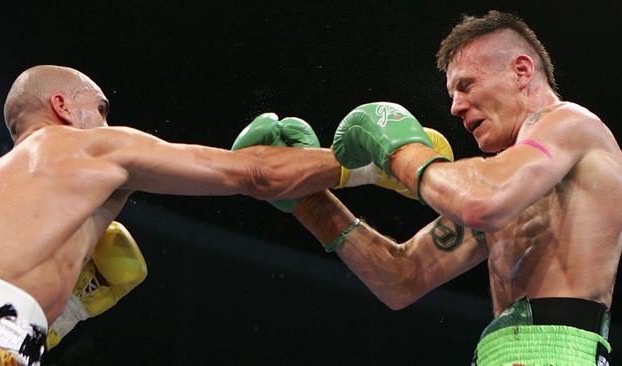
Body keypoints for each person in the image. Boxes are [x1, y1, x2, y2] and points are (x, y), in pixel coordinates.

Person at [264, 10, 619, 365]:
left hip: (559, 353)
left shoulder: (569, 123)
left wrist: (402, 151)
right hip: (503, 353)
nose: (455, 107)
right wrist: (310, 203)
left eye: (466, 85)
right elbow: (401, 278)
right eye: (452, 94)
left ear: (522, 71)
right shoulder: (512, 184)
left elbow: (481, 201)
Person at [0, 64, 342, 366]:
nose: (105, 122)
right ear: (62, 106)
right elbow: (256, 173)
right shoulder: (92, 146)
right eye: (100, 109)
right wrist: (374, 162)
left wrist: (65, 314)